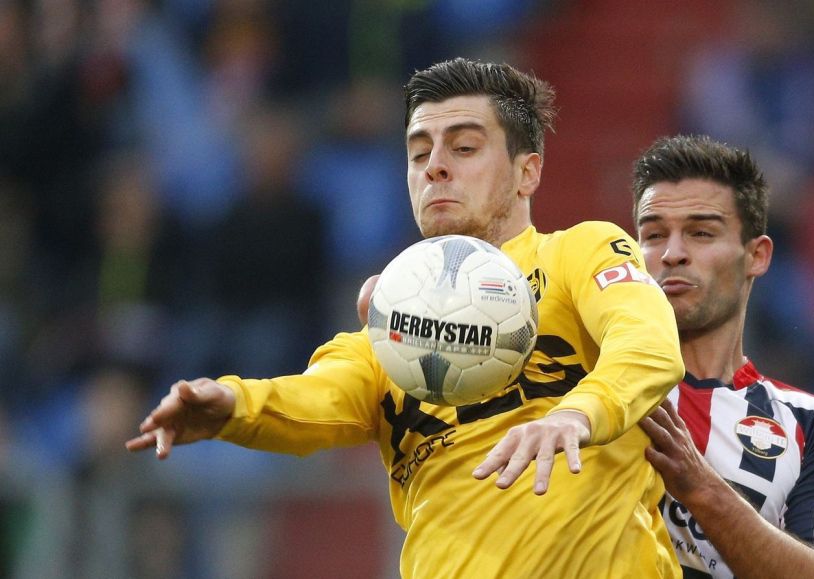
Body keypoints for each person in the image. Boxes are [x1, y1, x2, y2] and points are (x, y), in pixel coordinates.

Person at [126, 58, 686, 578]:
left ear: (527, 173)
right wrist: (233, 405)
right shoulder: (385, 329)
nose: (436, 167)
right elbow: (320, 398)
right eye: (419, 153)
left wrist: (578, 416)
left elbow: (650, 342)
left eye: (464, 148)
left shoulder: (578, 254)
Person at [630, 135, 814, 579]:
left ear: (756, 255)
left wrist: (702, 488)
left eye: (701, 233)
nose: (672, 253)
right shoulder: (586, 384)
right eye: (654, 234)